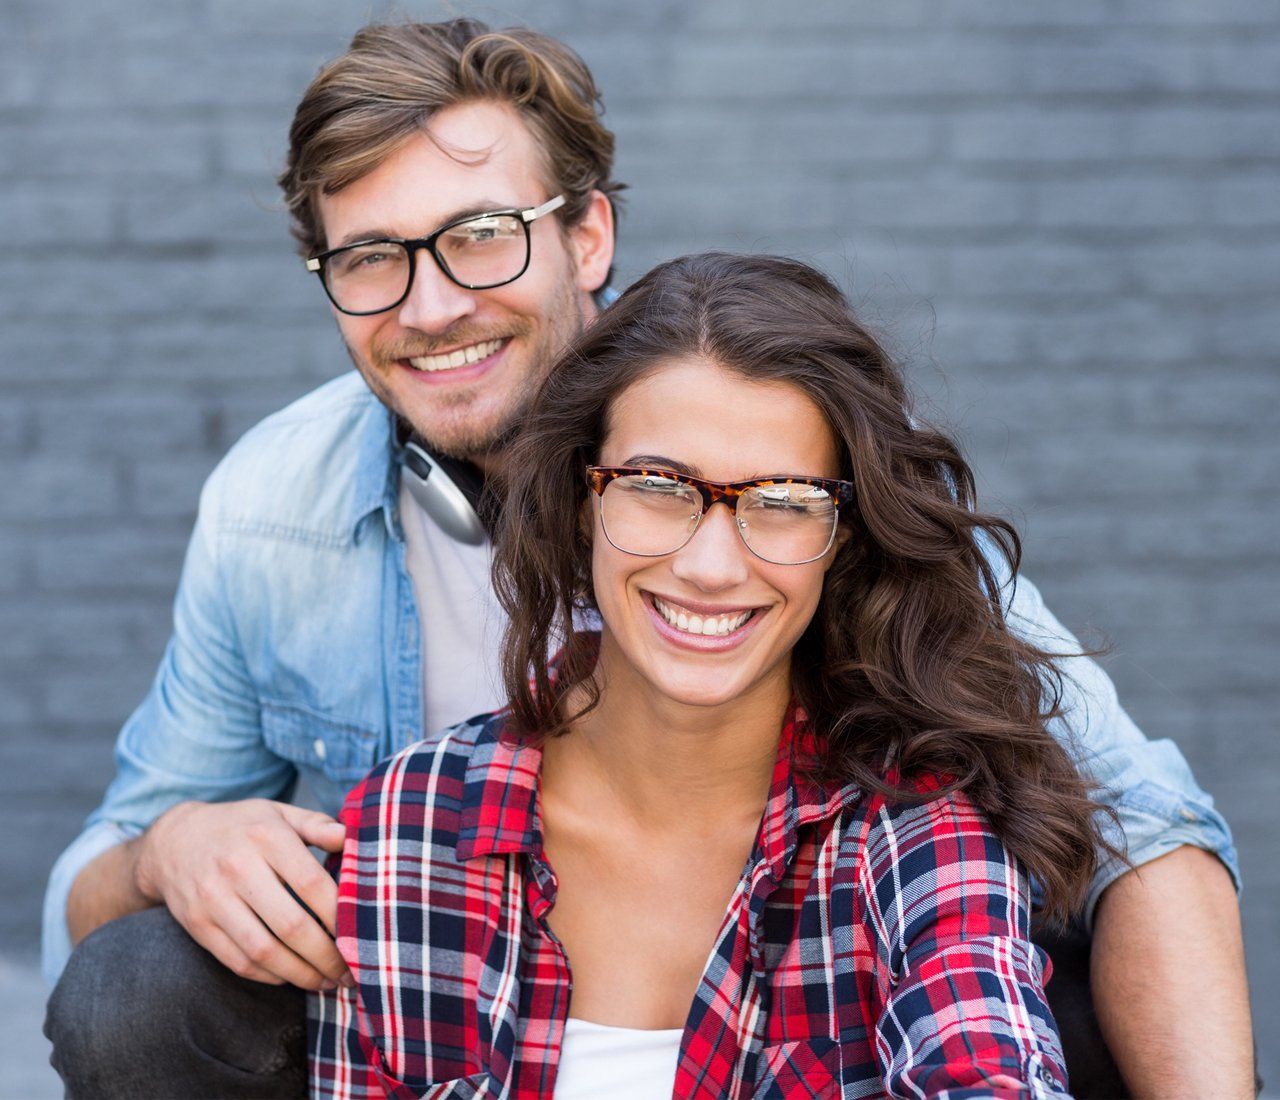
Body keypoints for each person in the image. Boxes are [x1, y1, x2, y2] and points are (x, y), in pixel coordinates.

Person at [41, 17, 1252, 1100]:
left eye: (479, 236)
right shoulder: (276, 512)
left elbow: (1147, 828)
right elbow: (89, 892)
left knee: (1087, 982)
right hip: (465, 1011)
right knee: (136, 985)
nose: (427, 306)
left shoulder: (759, 434)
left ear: (586, 233)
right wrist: (171, 848)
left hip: (803, 988)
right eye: (371, 257)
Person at [311, 250, 1104, 1098]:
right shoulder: (411, 827)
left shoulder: (913, 836)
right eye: (657, 486)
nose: (712, 565)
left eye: (786, 502)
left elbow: (986, 1066)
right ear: (583, 500)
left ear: (843, 541)